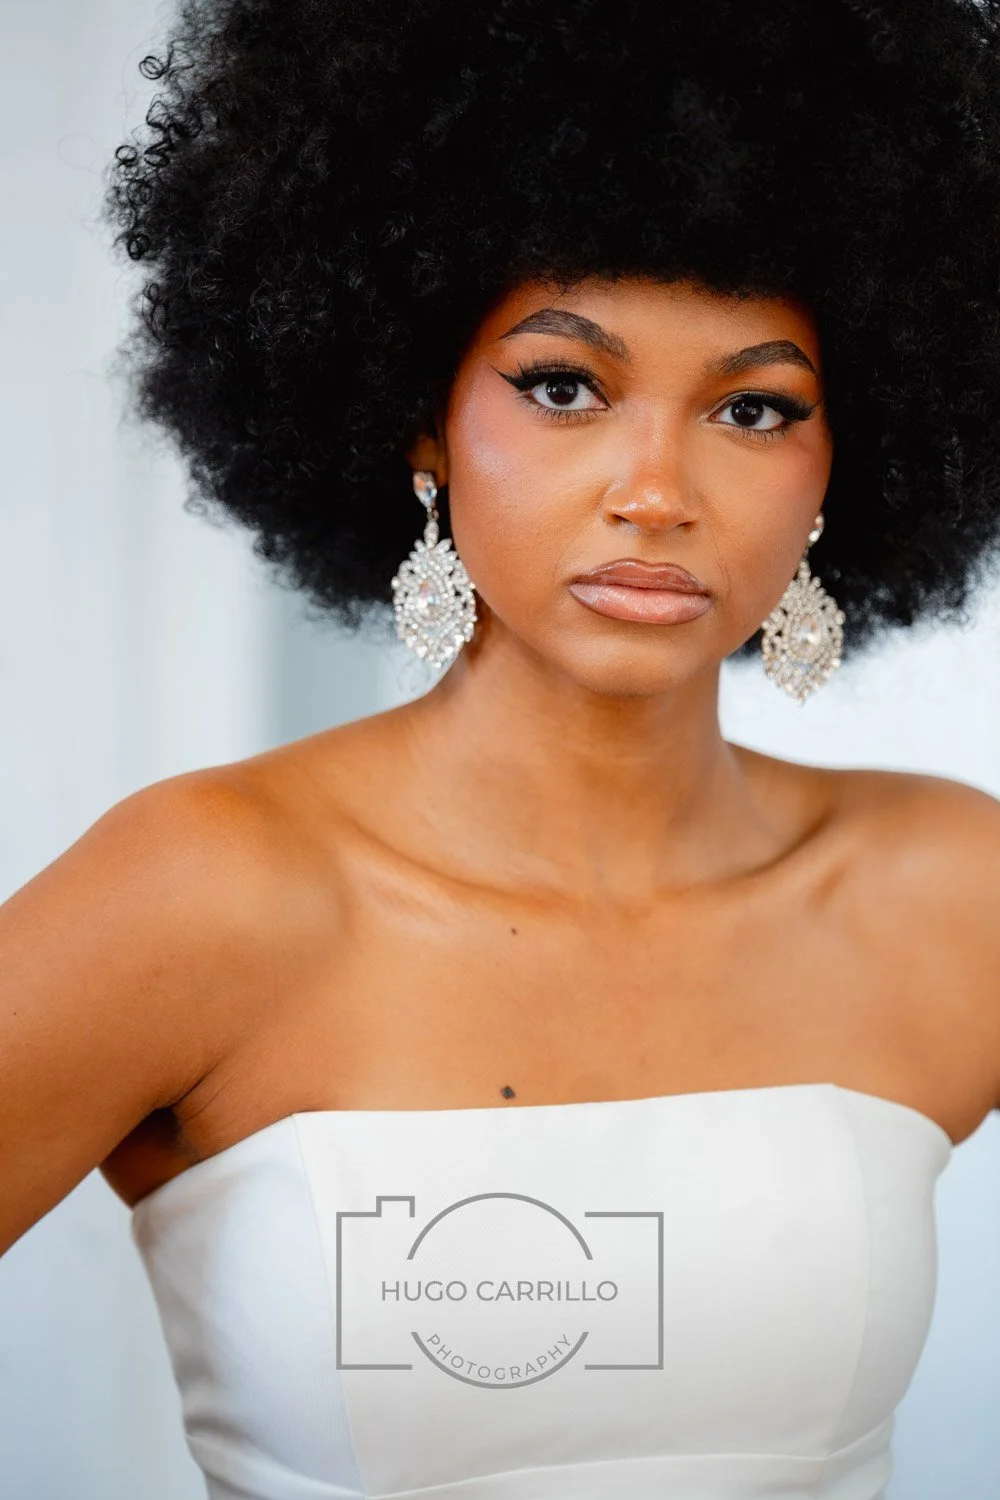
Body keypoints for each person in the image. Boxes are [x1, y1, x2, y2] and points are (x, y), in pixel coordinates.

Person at [4, 0, 1000, 1495]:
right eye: (563, 386)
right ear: (420, 417)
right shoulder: (201, 893)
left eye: (753, 404)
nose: (656, 490)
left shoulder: (948, 892)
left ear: (844, 455)